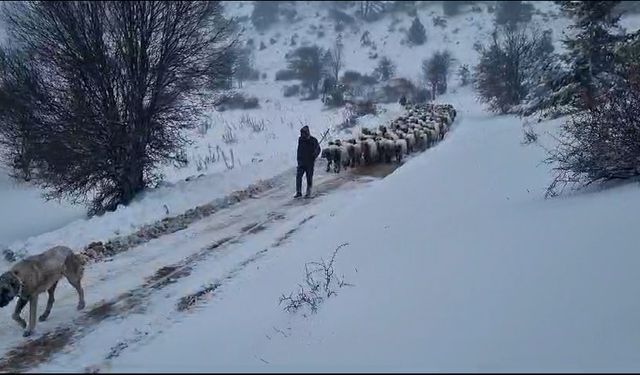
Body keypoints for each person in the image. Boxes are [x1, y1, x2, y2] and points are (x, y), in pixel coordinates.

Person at [295, 125, 321, 198]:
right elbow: (299, 150)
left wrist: (315, 154)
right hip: (301, 162)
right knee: (298, 177)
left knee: (309, 177)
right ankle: (298, 192)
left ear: (307, 133)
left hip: (310, 162)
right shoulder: (300, 140)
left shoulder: (313, 140)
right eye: (301, 133)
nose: (302, 135)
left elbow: (318, 149)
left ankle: (308, 192)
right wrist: (299, 159)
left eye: (304, 133)